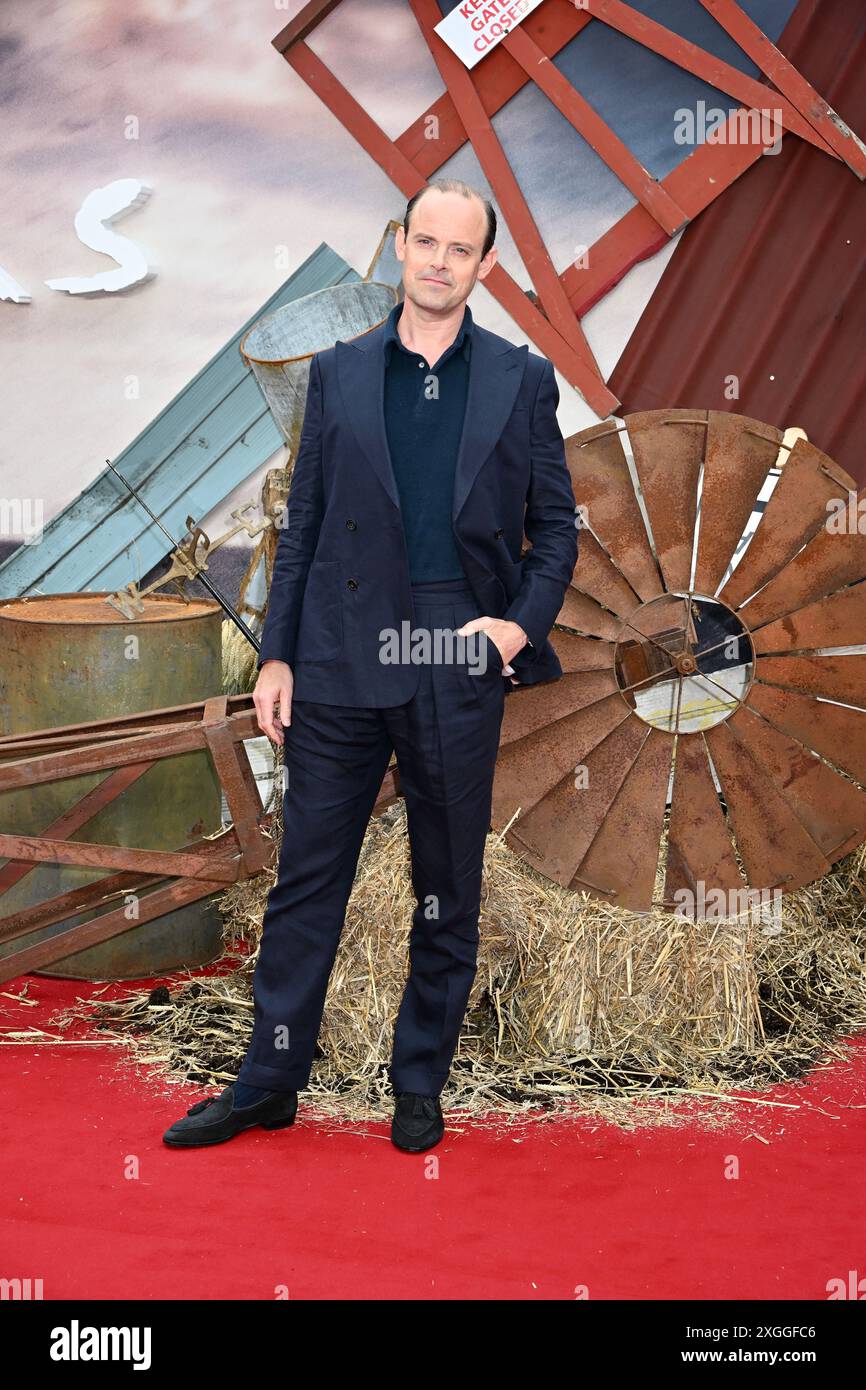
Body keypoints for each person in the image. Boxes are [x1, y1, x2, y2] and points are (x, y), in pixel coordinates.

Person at [163, 177, 579, 1154]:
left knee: (446, 885)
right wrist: (276, 656)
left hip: (455, 659)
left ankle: (418, 1080)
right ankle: (267, 1079)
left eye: (457, 248)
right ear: (399, 245)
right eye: (422, 241)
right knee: (306, 881)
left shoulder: (521, 381)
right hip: (342, 659)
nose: (436, 261)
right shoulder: (340, 374)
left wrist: (513, 630)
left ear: (485, 266)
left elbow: (554, 533)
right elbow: (301, 526)